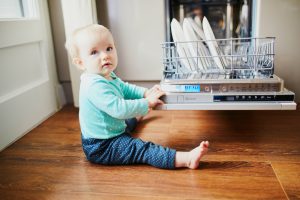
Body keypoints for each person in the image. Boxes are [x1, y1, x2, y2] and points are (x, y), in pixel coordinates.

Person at [65, 24, 209, 169]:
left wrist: (145, 93)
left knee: (128, 122)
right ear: (80, 63)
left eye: (109, 48)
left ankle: (136, 116)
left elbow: (125, 88)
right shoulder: (93, 85)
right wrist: (146, 103)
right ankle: (186, 159)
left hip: (112, 129)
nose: (105, 56)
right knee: (142, 149)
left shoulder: (105, 76)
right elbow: (119, 109)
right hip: (103, 146)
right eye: (94, 52)